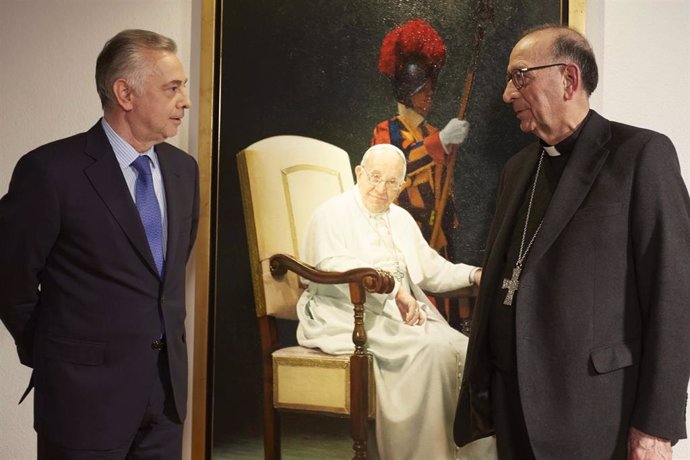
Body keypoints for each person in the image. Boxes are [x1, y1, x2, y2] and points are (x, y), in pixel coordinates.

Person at [453, 24, 690, 459]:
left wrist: (656, 425)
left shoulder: (641, 155)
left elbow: (674, 297)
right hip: (513, 407)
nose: (508, 93)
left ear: (569, 79)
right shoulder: (518, 168)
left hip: (595, 413)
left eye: (519, 76)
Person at [0, 29, 199, 458]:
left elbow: (166, 276)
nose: (185, 100)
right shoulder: (49, 171)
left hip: (166, 400)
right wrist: (57, 356)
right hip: (81, 403)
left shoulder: (184, 171)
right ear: (125, 93)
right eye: (172, 88)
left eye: (183, 87)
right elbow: (10, 279)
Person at [296, 143, 496, 459]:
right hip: (345, 315)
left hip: (394, 318)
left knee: (463, 349)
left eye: (392, 182)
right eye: (375, 177)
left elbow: (431, 269)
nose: (381, 189)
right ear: (359, 173)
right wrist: (395, 290)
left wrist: (474, 275)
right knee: (430, 352)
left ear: (402, 185)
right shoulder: (331, 214)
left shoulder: (400, 218)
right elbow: (331, 266)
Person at [372, 18, 469, 256]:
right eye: (422, 91)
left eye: (430, 90)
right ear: (406, 93)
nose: (429, 97)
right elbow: (399, 162)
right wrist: (442, 141)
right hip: (402, 239)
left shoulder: (433, 133)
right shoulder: (385, 130)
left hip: (438, 237)